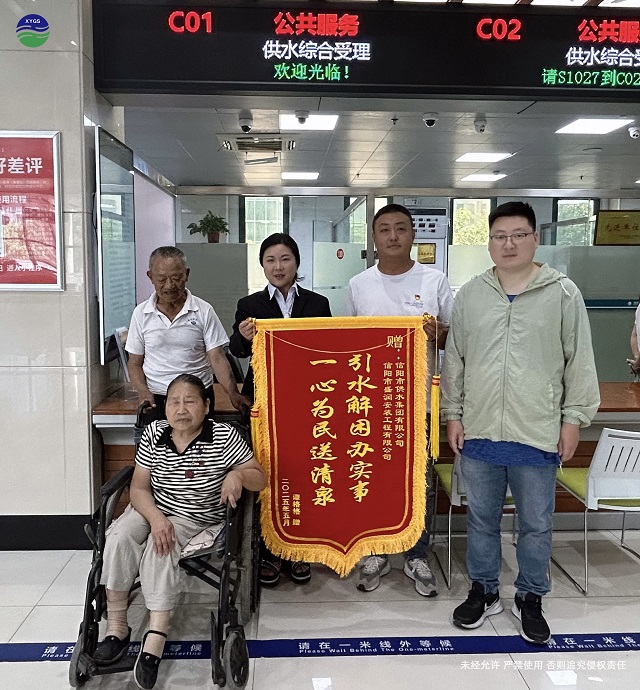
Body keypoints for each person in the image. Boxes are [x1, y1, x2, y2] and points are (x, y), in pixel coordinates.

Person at [441, 201, 600, 645]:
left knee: (536, 523)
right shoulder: (471, 294)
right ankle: (484, 590)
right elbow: (455, 361)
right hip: (480, 429)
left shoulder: (562, 293)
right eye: (499, 236)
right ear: (489, 242)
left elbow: (579, 360)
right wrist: (452, 413)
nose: (508, 244)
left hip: (537, 430)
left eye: (518, 235)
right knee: (481, 520)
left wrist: (573, 420)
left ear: (535, 238)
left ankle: (530, 595)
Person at [93, 374, 266, 690]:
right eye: (174, 402)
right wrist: (157, 518)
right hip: (151, 506)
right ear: (165, 407)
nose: (181, 409)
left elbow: (260, 477)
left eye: (190, 401)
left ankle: (155, 638)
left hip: (195, 516)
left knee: (161, 546)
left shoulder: (224, 437)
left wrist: (239, 476)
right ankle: (117, 627)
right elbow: (139, 488)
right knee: (118, 537)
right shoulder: (154, 434)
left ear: (206, 406)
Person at [345, 203, 453, 597]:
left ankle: (416, 554)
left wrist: (437, 332)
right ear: (374, 238)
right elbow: (349, 343)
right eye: (385, 229)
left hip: (420, 403)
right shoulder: (359, 284)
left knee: (420, 481)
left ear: (412, 235)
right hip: (371, 402)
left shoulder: (435, 280)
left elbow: (454, 339)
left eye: (401, 228)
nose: (393, 236)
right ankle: (376, 550)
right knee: (373, 478)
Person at [230, 233, 332, 587]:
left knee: (304, 475)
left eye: (285, 259)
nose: (278, 266)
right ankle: (269, 552)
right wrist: (243, 336)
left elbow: (328, 351)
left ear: (297, 263)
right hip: (264, 407)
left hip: (307, 405)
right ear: (262, 265)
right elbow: (238, 351)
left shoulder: (318, 303)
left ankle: (299, 551)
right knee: (267, 474)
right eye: (270, 260)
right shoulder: (250, 304)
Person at [126, 246, 250, 419]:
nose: (169, 285)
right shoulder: (141, 314)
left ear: (187, 274)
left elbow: (217, 358)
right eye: (161, 279)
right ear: (150, 277)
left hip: (197, 397)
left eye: (176, 278)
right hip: (157, 398)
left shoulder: (203, 310)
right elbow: (134, 363)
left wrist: (233, 393)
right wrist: (143, 392)